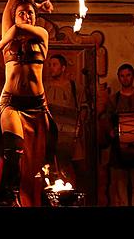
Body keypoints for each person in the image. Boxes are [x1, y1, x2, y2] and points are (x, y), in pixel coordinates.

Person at [0, 0, 56, 206]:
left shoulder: (41, 34)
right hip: (11, 103)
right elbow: (9, 2)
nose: (26, 16)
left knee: (37, 161)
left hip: (37, 106)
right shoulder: (9, 36)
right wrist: (34, 4)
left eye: (30, 13)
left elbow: (18, 30)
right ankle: (10, 196)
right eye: (22, 13)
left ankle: (35, 198)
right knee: (14, 147)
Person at [102, 63, 134, 206]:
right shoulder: (113, 99)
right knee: (120, 186)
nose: (125, 79)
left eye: (128, 75)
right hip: (119, 148)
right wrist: (111, 131)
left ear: (133, 76)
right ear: (119, 78)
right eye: (122, 76)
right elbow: (107, 118)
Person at [44, 54, 88, 186]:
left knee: (78, 168)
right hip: (51, 137)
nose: (51, 68)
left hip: (71, 137)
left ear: (63, 68)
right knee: (51, 169)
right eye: (50, 65)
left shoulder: (75, 87)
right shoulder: (44, 87)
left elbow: (83, 108)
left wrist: (79, 127)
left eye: (54, 64)